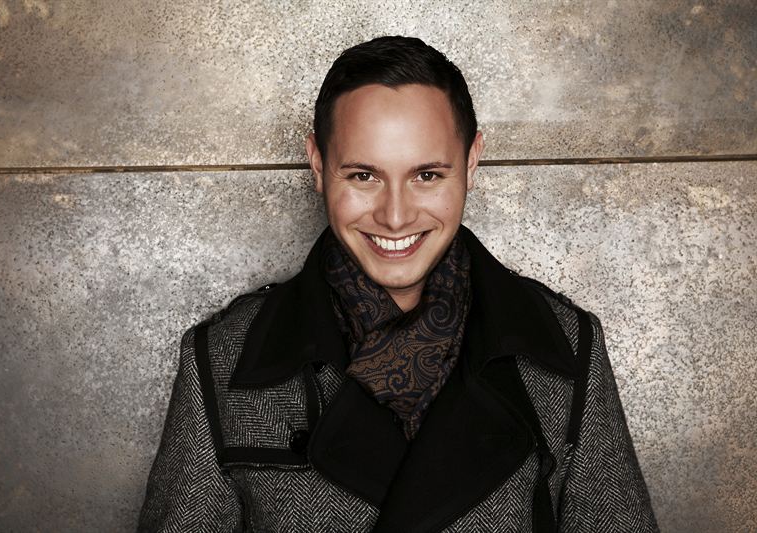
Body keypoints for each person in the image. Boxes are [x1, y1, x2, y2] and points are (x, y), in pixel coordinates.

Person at [138, 36, 659, 532]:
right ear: (317, 165)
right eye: (363, 176)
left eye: (426, 175)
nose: (394, 216)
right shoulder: (223, 359)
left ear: (471, 161)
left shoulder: (566, 348)